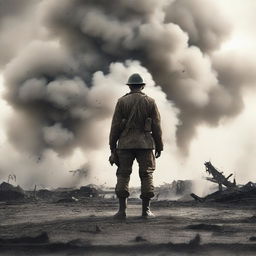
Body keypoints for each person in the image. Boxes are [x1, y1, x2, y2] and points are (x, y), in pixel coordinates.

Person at [109, 73, 163, 219]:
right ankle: (146, 211)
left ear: (129, 86)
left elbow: (115, 126)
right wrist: (159, 145)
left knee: (123, 174)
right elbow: (157, 126)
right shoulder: (150, 102)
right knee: (146, 175)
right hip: (145, 145)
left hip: (125, 144)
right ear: (143, 86)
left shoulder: (121, 102)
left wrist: (112, 147)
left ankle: (121, 211)